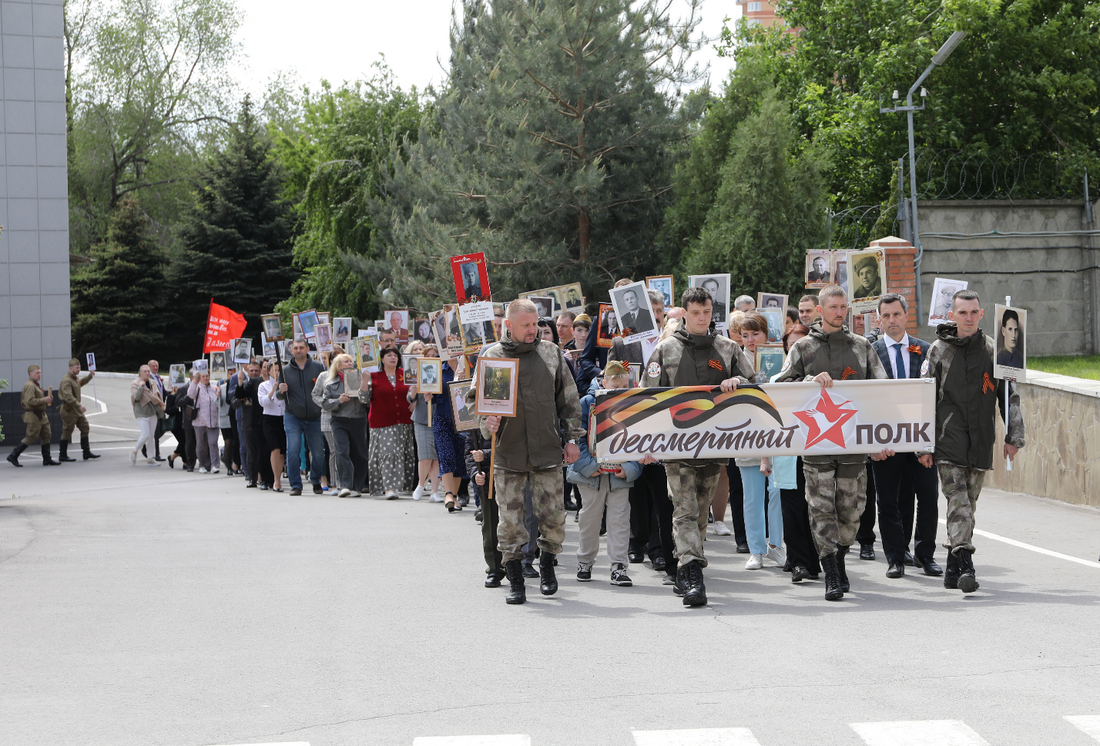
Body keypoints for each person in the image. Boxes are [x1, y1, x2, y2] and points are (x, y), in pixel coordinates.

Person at [775, 285, 891, 601]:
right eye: (833, 307)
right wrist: (807, 382)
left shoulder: (862, 347)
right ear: (821, 310)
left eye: (843, 307)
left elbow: (883, 392)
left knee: (851, 513)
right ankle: (831, 570)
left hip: (854, 446)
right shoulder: (803, 348)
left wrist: (883, 436)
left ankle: (839, 554)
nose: (839, 312)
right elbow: (781, 387)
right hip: (816, 446)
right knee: (820, 507)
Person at [641, 286, 755, 606]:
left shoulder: (729, 348)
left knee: (701, 512)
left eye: (706, 313)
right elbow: (647, 396)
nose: (702, 318)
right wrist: (648, 440)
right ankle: (693, 575)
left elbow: (753, 383)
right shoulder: (666, 350)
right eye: (695, 313)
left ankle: (684, 565)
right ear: (685, 314)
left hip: (715, 445)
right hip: (676, 445)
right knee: (685, 510)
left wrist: (738, 383)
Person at [471, 299, 585, 605]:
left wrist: (573, 438)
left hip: (547, 451)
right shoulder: (493, 357)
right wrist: (487, 420)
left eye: (535, 324)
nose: (533, 330)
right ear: (509, 325)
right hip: (508, 453)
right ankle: (516, 580)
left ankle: (547, 567)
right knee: (510, 522)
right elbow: (475, 403)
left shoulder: (551, 354)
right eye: (526, 325)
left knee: (554, 517)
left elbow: (569, 399)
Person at [920, 289, 1025, 593]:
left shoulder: (995, 351)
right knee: (958, 501)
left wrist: (1013, 435)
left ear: (981, 314)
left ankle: (952, 570)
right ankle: (966, 565)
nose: (968, 318)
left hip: (980, 439)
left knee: (969, 505)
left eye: (973, 312)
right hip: (947, 439)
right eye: (962, 312)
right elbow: (924, 399)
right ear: (951, 315)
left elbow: (1009, 395)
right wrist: (923, 446)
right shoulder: (938, 351)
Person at [870, 293, 942, 579]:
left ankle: (925, 556)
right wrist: (873, 444)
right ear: (878, 319)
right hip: (885, 440)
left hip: (919, 439)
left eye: (896, 314)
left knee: (928, 497)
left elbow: (934, 397)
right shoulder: (870, 351)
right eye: (886, 316)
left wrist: (928, 444)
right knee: (888, 501)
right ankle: (895, 557)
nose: (892, 321)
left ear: (906, 316)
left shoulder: (925, 350)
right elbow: (864, 400)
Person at [568, 361, 642, 586]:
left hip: (618, 475)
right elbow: (575, 437)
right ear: (603, 382)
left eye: (623, 387)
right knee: (589, 519)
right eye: (614, 386)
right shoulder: (586, 403)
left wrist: (630, 468)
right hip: (590, 475)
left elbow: (638, 440)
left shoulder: (633, 405)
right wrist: (590, 465)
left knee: (620, 520)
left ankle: (618, 566)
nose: (618, 391)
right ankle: (585, 561)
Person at [737, 314, 786, 571]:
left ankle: (776, 545)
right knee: (752, 497)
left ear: (766, 334)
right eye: (745, 335)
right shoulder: (735, 358)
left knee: (777, 492)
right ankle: (755, 549)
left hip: (777, 432)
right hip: (747, 434)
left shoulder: (780, 356)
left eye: (755, 334)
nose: (750, 340)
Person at [315, 353, 370, 498]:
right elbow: (325, 404)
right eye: (346, 361)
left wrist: (363, 385)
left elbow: (368, 401)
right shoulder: (330, 382)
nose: (350, 363)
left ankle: (357, 486)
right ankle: (344, 485)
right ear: (339, 366)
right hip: (339, 420)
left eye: (351, 361)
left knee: (359, 454)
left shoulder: (359, 379)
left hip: (358, 419)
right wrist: (338, 400)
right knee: (341, 451)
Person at [277, 339, 326, 496]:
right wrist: (281, 391)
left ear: (307, 349)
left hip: (315, 416)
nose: (298, 350)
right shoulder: (284, 371)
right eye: (295, 348)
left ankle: (315, 479)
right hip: (293, 416)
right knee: (293, 450)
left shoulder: (318, 367)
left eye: (301, 347)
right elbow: (279, 396)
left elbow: (325, 389)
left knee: (319, 453)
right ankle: (296, 485)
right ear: (292, 350)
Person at [367, 346, 417, 499]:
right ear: (382, 359)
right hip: (382, 423)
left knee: (404, 455)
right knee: (388, 454)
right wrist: (363, 381)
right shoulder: (373, 376)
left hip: (404, 421)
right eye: (389, 355)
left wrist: (415, 400)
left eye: (395, 355)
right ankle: (389, 488)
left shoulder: (406, 374)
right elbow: (363, 399)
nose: (393, 358)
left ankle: (404, 487)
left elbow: (416, 393)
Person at [425, 358, 468, 511]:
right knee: (446, 454)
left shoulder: (468, 366)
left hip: (462, 418)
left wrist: (466, 381)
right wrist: (428, 396)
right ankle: (448, 494)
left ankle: (455, 497)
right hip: (441, 418)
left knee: (459, 458)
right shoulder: (438, 369)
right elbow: (432, 395)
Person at [8, 365, 60, 467]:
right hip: (33, 415)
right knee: (31, 437)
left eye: (40, 373)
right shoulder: (30, 386)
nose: (39, 375)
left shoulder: (35, 385)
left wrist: (47, 399)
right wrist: (44, 400)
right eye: (37, 373)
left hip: (41, 415)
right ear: (31, 374)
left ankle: (47, 459)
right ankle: (13, 455)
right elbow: (30, 401)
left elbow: (37, 399)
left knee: (46, 435)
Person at [58, 358, 99, 462]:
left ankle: (86, 452)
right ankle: (62, 454)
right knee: (67, 431)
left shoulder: (74, 378)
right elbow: (68, 396)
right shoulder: (66, 380)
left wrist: (90, 375)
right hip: (69, 410)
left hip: (75, 410)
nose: (79, 369)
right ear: (71, 368)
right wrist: (79, 406)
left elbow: (80, 383)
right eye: (77, 367)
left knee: (85, 427)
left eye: (79, 367)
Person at [259, 360, 288, 491]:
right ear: (269, 371)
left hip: (283, 418)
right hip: (269, 419)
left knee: (282, 451)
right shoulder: (263, 385)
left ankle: (278, 476)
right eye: (274, 370)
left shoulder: (286, 384)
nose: (277, 372)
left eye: (279, 370)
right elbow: (263, 402)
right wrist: (273, 391)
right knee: (275, 448)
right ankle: (276, 481)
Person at [130, 364, 165, 467]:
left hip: (152, 412)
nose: (147, 373)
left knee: (151, 436)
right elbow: (136, 398)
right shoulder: (135, 383)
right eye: (145, 371)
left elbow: (158, 396)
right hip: (141, 412)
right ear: (140, 373)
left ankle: (150, 458)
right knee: (145, 434)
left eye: (148, 371)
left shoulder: (153, 382)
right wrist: (141, 387)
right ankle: (134, 452)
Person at [187, 369, 222, 474]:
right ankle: (202, 464)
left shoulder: (214, 388)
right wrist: (194, 380)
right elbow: (190, 394)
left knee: (213, 443)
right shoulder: (197, 388)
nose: (206, 378)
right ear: (200, 378)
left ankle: (215, 465)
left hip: (213, 421)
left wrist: (219, 397)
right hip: (200, 421)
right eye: (203, 376)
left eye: (207, 376)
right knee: (201, 445)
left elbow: (218, 403)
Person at [144, 360, 168, 461]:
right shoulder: (148, 379)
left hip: (161, 407)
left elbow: (163, 391)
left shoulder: (158, 377)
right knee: (157, 431)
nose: (155, 368)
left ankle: (144, 447)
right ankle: (157, 454)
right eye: (153, 366)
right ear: (149, 367)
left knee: (162, 429)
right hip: (154, 408)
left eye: (156, 366)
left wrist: (173, 393)